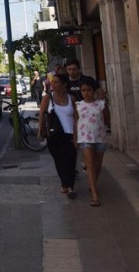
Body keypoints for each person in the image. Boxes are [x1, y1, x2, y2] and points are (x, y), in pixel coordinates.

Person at [39, 74, 78, 198]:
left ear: (64, 84)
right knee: (60, 160)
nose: (52, 84)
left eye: (56, 82)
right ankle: (65, 184)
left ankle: (70, 186)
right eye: (52, 82)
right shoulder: (47, 98)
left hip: (70, 134)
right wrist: (41, 131)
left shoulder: (72, 99)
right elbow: (41, 115)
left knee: (71, 160)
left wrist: (77, 135)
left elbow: (77, 118)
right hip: (54, 135)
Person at [73, 77, 110, 207]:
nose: (86, 93)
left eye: (89, 90)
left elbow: (107, 119)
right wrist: (75, 138)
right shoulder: (78, 105)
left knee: (98, 165)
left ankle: (93, 184)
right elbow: (75, 121)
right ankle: (94, 194)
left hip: (99, 137)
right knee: (89, 164)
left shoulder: (101, 104)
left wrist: (102, 97)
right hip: (85, 138)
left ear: (93, 91)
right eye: (83, 90)